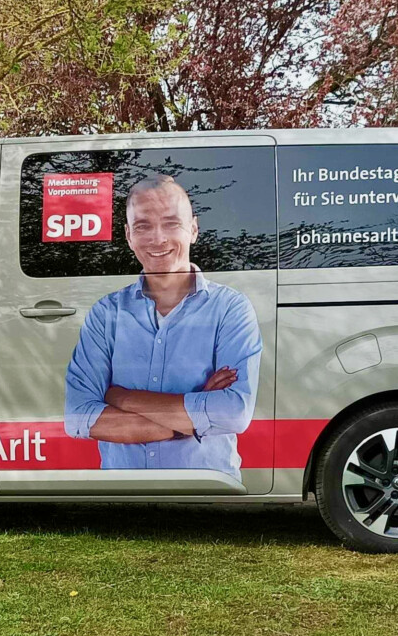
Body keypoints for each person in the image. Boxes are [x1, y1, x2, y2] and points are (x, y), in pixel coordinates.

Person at [63, 174, 262, 473]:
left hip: (206, 489)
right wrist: (190, 420)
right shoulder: (106, 314)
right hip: (123, 492)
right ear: (128, 235)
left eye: (171, 223)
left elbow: (233, 413)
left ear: (193, 229)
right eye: (143, 226)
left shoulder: (230, 309)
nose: (158, 239)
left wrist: (121, 397)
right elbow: (78, 417)